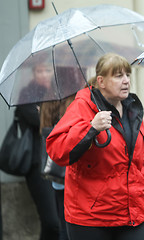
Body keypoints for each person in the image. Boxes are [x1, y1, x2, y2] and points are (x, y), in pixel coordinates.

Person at [46, 53, 144, 240]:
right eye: (118, 76)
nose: (126, 81)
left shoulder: (133, 109)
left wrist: (142, 192)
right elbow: (56, 150)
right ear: (101, 81)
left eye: (127, 75)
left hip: (134, 212)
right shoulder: (82, 106)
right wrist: (90, 128)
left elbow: (136, 161)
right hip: (92, 217)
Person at [15, 61, 59, 239]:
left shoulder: (58, 93)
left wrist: (45, 112)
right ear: (34, 73)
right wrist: (50, 115)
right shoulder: (26, 94)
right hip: (36, 164)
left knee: (60, 222)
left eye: (47, 70)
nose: (43, 74)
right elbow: (42, 122)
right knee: (52, 221)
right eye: (39, 71)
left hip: (58, 162)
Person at [40, 94, 75, 240]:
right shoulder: (73, 101)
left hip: (57, 175)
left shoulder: (47, 101)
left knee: (62, 225)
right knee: (72, 227)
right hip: (72, 175)